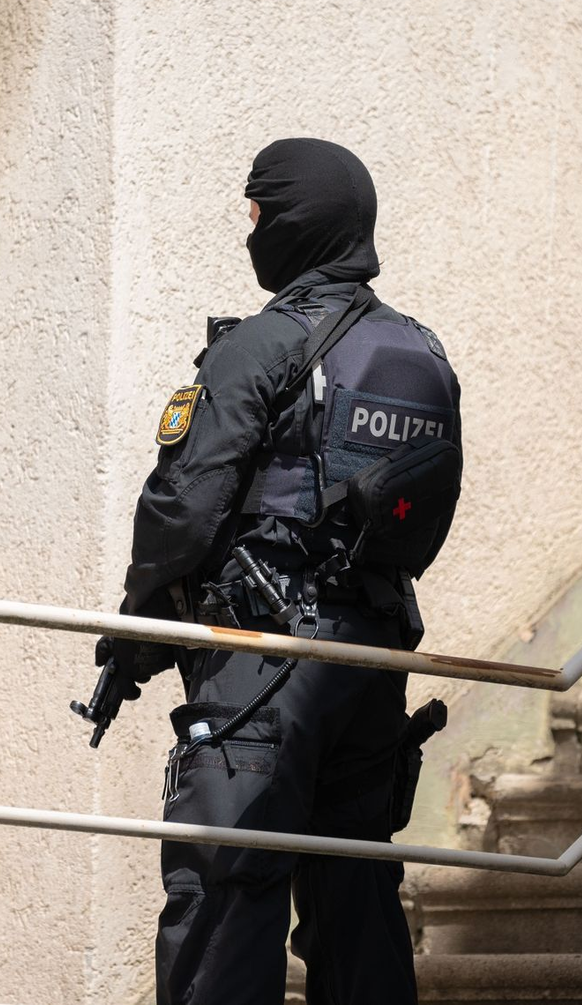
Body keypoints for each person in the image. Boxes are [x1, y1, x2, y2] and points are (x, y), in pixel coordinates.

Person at [99, 137, 463, 1005]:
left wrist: (136, 628)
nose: (249, 233)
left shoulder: (261, 347)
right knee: (358, 902)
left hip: (262, 668)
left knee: (227, 895)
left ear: (294, 221)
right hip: (372, 668)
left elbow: (182, 508)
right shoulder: (422, 353)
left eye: (257, 214)